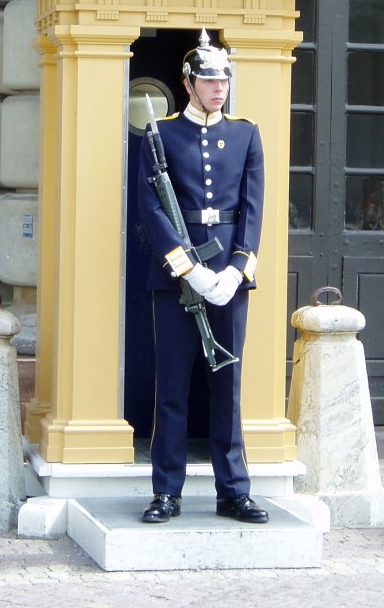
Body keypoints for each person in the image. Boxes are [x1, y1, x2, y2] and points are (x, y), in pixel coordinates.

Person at [137, 29, 267, 524]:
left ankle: (233, 489)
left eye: (224, 79)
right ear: (188, 83)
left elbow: (253, 209)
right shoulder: (162, 134)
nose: (219, 88)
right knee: (171, 386)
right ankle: (166, 490)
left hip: (229, 275)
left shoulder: (246, 134)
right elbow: (151, 208)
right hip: (176, 278)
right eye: (209, 80)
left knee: (227, 387)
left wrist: (238, 269)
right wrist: (187, 266)